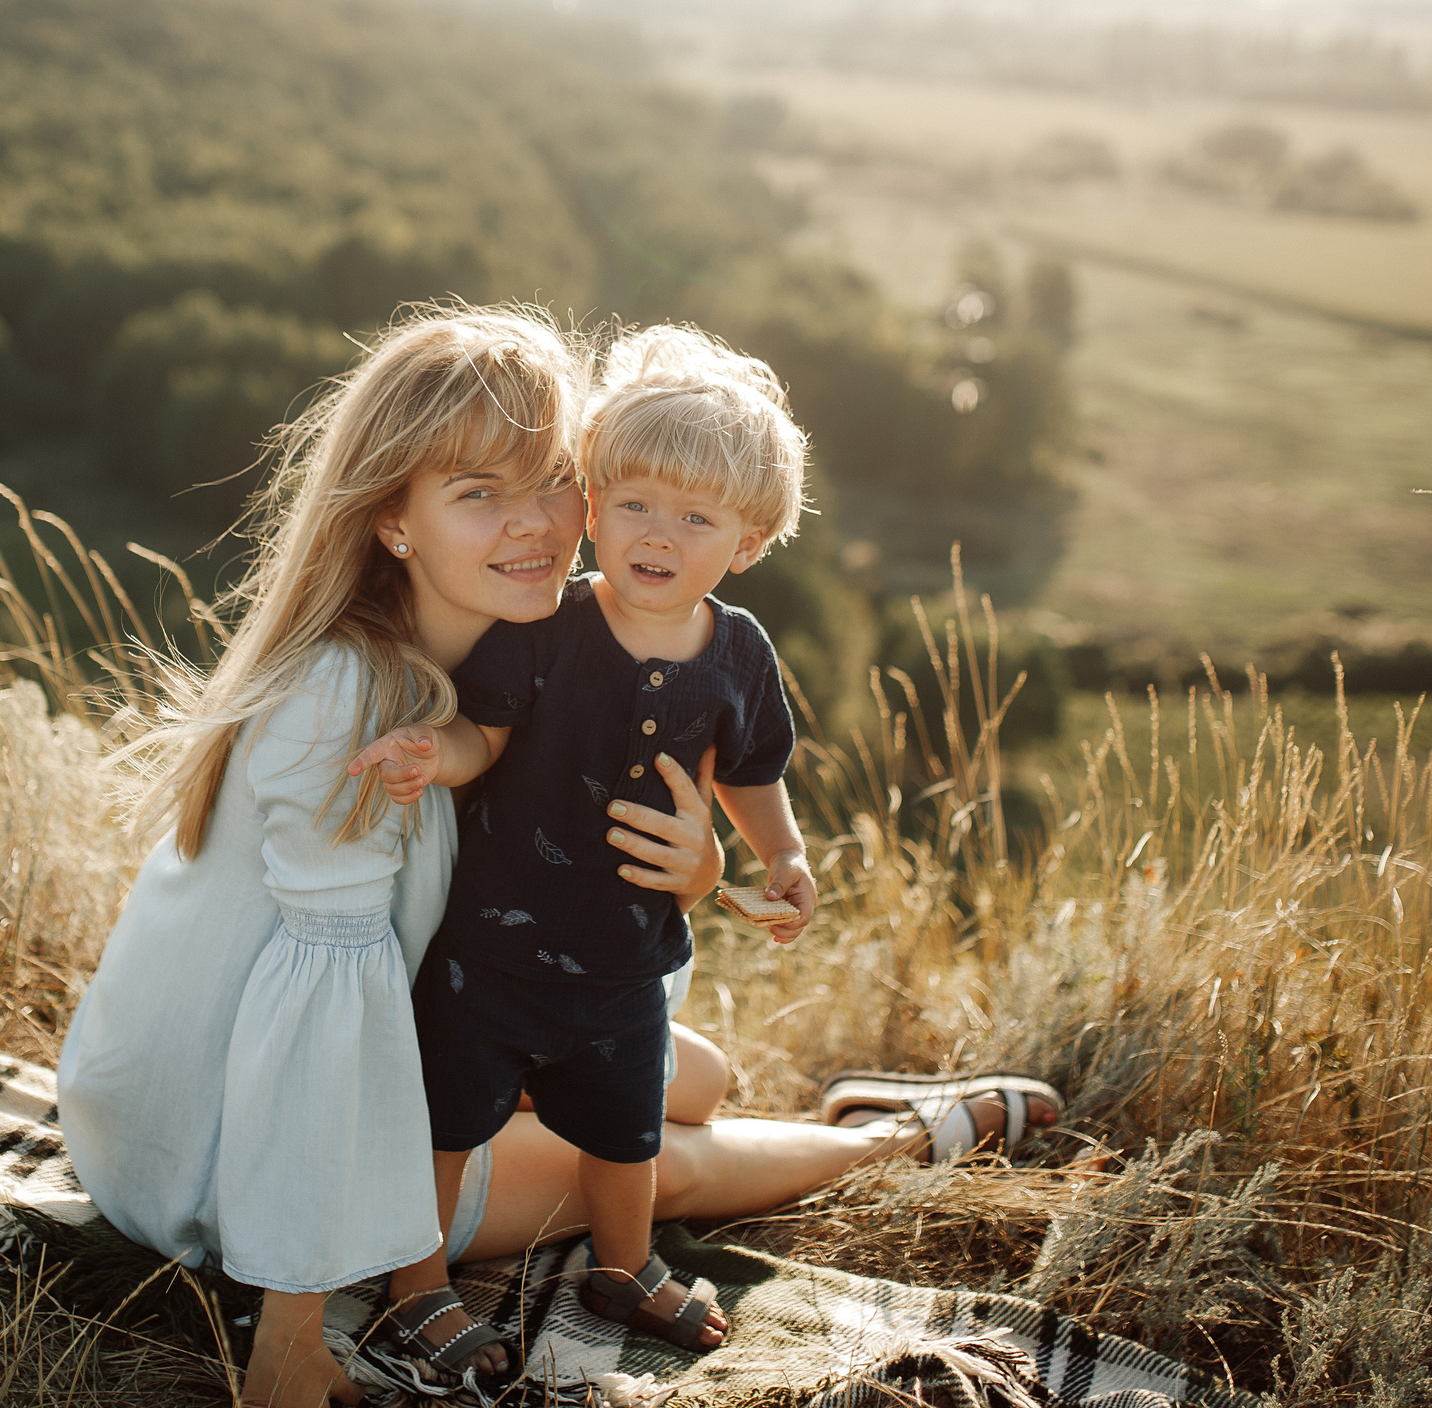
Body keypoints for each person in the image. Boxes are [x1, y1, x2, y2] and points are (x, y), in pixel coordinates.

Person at [53, 305, 1061, 1408]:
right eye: (477, 493)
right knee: (650, 1160)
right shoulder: (351, 709)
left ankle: (832, 1115)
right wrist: (290, 1330)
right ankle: (903, 1136)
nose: (537, 524)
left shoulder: (522, 665)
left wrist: (706, 875)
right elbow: (315, 1019)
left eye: (549, 479)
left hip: (426, 1020)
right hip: (202, 1138)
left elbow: (583, 874)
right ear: (391, 520)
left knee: (700, 1077)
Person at [346, 325, 818, 1359]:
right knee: (447, 1128)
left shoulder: (737, 650)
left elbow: (750, 772)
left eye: (694, 518)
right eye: (635, 504)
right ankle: (415, 1282)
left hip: (623, 964)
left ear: (744, 543)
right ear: (594, 507)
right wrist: (439, 755)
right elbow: (488, 736)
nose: (657, 533)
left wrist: (783, 858)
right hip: (491, 957)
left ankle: (623, 1266)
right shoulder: (544, 630)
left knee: (622, 1138)